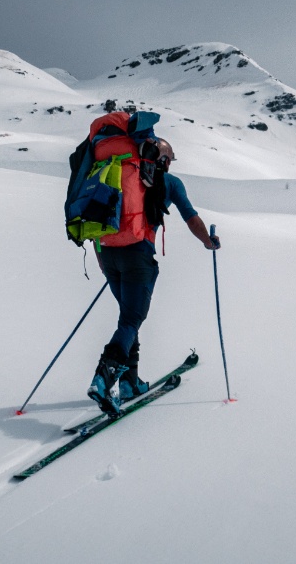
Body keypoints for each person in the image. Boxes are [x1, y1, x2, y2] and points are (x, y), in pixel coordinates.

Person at [85, 112, 220, 416]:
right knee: (132, 320)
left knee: (129, 318)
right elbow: (191, 217)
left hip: (108, 252)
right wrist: (208, 241)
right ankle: (103, 378)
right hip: (137, 256)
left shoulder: (118, 173)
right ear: (162, 159)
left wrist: (104, 262)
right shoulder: (170, 183)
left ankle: (131, 383)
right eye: (169, 160)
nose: (169, 165)